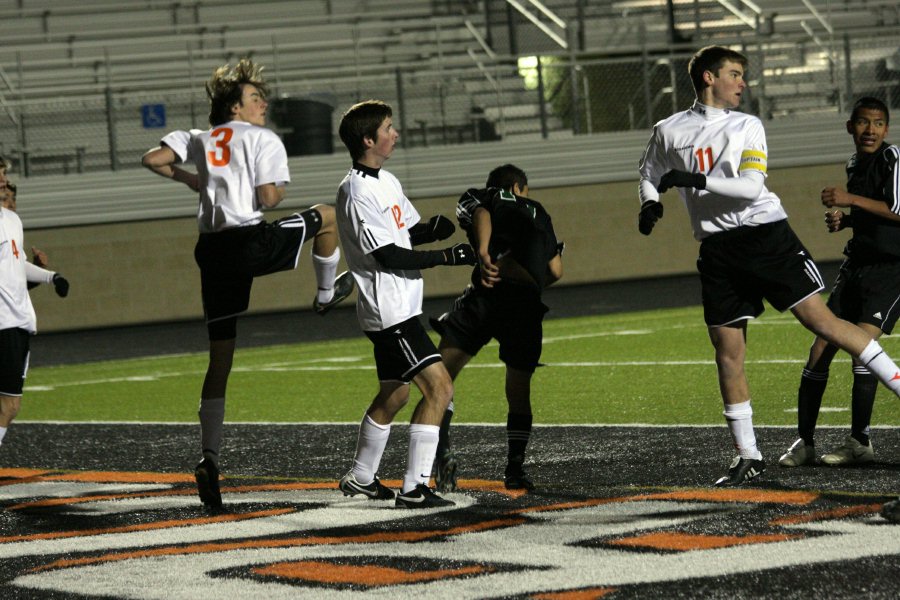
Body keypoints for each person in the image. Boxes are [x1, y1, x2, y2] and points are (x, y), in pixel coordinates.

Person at [637, 45, 900, 487]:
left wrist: (693, 179)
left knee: (826, 325)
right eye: (735, 74)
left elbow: (749, 186)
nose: (743, 83)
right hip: (718, 251)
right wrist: (649, 204)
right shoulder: (669, 129)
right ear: (707, 77)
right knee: (727, 350)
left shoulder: (747, 125)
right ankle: (748, 456)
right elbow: (647, 170)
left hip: (765, 237)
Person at [141, 59, 354, 509]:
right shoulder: (262, 138)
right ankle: (325, 294)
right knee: (329, 215)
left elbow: (153, 159)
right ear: (236, 107)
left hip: (212, 252)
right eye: (256, 98)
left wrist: (194, 180)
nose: (265, 104)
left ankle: (209, 458)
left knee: (220, 358)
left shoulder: (197, 137)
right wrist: (263, 186)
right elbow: (269, 197)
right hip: (248, 241)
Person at [333, 99, 476, 508]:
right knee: (440, 388)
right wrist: (446, 256)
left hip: (399, 306)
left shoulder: (386, 180)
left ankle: (361, 477)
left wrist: (434, 229)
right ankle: (415, 488)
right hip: (390, 312)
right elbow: (388, 255)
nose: (395, 134)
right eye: (389, 128)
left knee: (394, 396)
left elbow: (405, 232)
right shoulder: (355, 190)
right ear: (368, 139)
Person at [780, 97, 900, 469]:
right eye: (863, 123)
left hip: (890, 270)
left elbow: (897, 209)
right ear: (850, 127)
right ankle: (805, 442)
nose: (870, 130)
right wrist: (846, 222)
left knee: (862, 353)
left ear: (886, 128)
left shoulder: (892, 158)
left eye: (878, 123)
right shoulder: (855, 163)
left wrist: (849, 200)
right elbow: (872, 214)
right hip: (856, 267)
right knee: (818, 352)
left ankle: (859, 441)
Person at [429, 164, 563, 492]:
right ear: (520, 187)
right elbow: (556, 271)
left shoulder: (488, 197)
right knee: (519, 392)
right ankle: (515, 468)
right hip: (525, 306)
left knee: (438, 378)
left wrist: (484, 253)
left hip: (485, 299)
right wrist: (530, 284)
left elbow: (481, 211)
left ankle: (440, 450)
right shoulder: (539, 211)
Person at [1, 156, 70, 450]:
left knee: (8, 405)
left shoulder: (12, 220)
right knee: (8, 406)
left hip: (17, 322)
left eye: (4, 175)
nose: (4, 181)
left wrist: (52, 277)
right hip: (4, 323)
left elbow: (17, 267)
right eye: (0, 176)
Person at [1, 182, 51, 280]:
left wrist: (39, 269)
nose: (12, 204)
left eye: (14, 199)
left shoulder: (14, 225)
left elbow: (16, 284)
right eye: (6, 198)